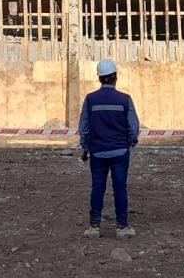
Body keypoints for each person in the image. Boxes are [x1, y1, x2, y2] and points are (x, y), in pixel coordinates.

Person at [79, 59, 139, 239]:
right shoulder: (125, 99)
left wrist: (86, 147)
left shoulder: (90, 100)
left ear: (99, 79)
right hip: (120, 151)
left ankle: (94, 227)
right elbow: (133, 127)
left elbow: (84, 126)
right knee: (120, 189)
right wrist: (131, 142)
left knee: (97, 188)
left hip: (98, 152)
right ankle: (122, 228)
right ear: (114, 76)